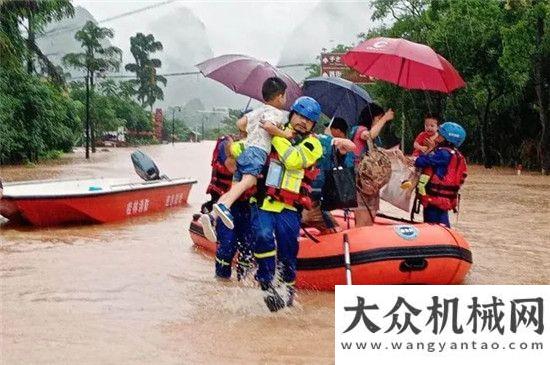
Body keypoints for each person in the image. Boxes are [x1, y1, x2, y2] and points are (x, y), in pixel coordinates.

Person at [249, 96, 323, 312]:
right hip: (263, 201)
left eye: (309, 120)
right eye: (300, 115)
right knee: (262, 237)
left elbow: (292, 160)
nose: (303, 122)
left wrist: (277, 135)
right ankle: (265, 284)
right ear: (292, 114)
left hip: (289, 208)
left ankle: (288, 293)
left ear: (312, 125)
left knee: (289, 252)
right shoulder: (270, 129)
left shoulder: (313, 144)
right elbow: (246, 148)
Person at [201, 77, 293, 241]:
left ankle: (213, 216)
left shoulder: (257, 111)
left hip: (246, 151)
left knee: (234, 189)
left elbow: (240, 123)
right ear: (279, 96)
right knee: (248, 182)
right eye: (285, 97)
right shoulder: (276, 113)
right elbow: (269, 127)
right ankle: (223, 206)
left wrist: (250, 129)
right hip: (257, 152)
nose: (285, 100)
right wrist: (285, 133)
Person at [200, 134, 254, 280]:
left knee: (248, 247)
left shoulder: (263, 145)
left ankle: (244, 282)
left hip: (247, 205)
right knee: (227, 245)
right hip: (225, 205)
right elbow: (231, 166)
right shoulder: (226, 143)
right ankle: (222, 281)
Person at [302, 117, 356, 233]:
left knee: (330, 227)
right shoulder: (323, 141)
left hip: (316, 194)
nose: (328, 129)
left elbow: (349, 153)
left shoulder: (328, 142)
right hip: (310, 194)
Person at [413, 121, 467, 228]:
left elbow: (421, 161)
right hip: (445, 200)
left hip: (434, 200)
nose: (437, 136)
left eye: (440, 135)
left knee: (431, 225)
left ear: (446, 139)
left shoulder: (443, 154)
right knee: (442, 222)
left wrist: (429, 150)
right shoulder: (457, 155)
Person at [350, 103, 394, 227]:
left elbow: (376, 151)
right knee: (363, 215)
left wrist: (393, 152)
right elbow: (368, 136)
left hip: (370, 182)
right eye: (378, 118)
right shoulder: (360, 130)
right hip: (360, 181)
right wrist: (385, 118)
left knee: (371, 214)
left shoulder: (375, 137)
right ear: (372, 117)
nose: (380, 121)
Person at [400, 113, 440, 190]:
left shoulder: (438, 137)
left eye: (432, 126)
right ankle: (406, 181)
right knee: (411, 168)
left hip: (428, 158)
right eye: (426, 125)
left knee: (428, 171)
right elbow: (415, 144)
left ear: (437, 127)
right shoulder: (422, 135)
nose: (429, 128)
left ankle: (422, 184)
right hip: (417, 156)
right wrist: (420, 147)